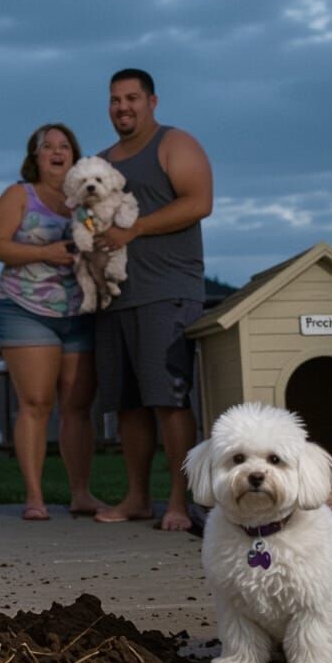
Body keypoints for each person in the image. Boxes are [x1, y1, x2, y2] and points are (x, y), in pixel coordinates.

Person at [92, 68, 213, 531]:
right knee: (128, 404)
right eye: (115, 100)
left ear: (152, 101)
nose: (122, 107)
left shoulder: (175, 143)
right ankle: (138, 498)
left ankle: (180, 502)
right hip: (115, 298)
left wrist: (135, 228)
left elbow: (199, 201)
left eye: (131, 98)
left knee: (169, 401)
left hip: (168, 293)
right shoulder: (102, 161)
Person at [0, 124, 107, 521]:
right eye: (47, 147)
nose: (56, 151)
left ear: (74, 154)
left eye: (64, 146)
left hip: (80, 311)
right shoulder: (20, 195)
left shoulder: (86, 198)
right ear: (34, 156)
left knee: (77, 406)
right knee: (36, 403)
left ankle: (81, 494)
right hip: (26, 310)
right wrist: (47, 252)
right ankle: (35, 497)